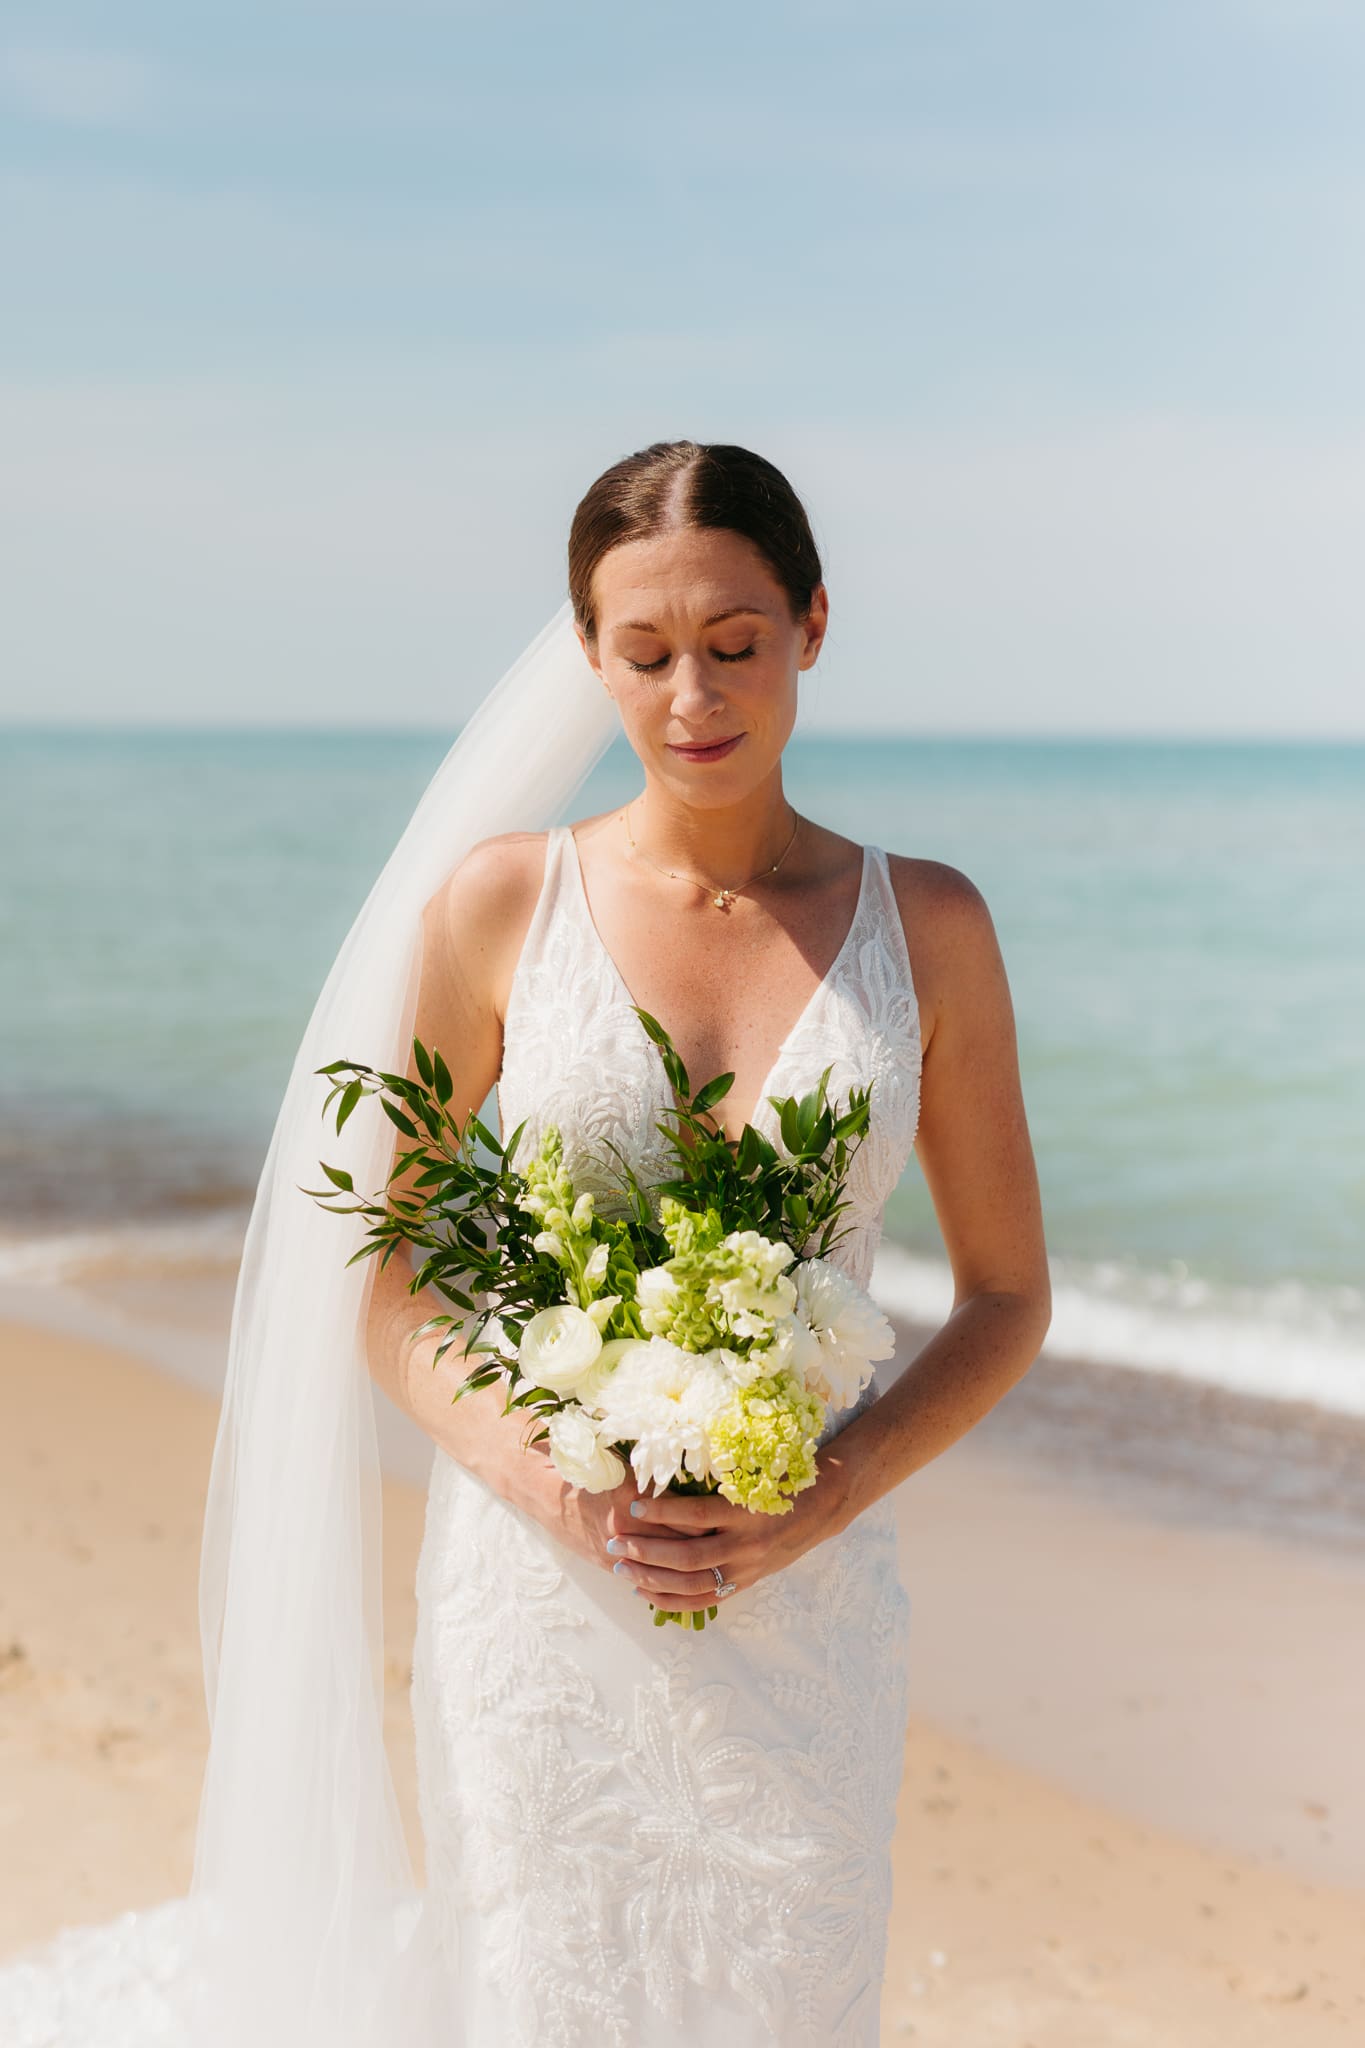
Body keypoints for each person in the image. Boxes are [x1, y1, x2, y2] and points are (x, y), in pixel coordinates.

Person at [0, 440, 1050, 2046]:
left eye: (734, 644)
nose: (691, 696)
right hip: (539, 1591)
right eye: (643, 657)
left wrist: (826, 1490)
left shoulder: (935, 927)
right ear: (587, 659)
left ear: (813, 627)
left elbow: (1001, 1296)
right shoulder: (502, 906)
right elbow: (381, 1262)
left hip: (805, 1599)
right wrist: (545, 1472)